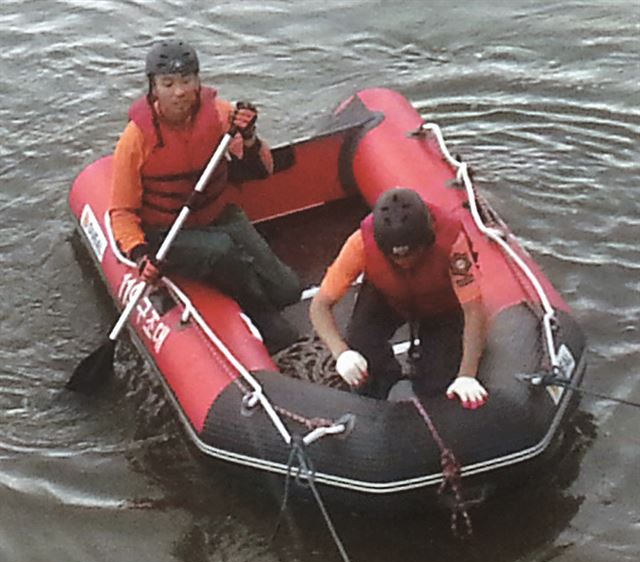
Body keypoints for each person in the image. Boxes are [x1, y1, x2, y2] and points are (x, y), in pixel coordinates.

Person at [109, 39, 301, 353]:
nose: (179, 92)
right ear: (153, 89)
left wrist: (249, 137)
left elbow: (261, 169)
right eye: (168, 84)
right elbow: (122, 213)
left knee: (288, 289)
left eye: (186, 81)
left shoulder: (220, 114)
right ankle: (261, 315)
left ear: (198, 82)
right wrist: (140, 254)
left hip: (218, 215)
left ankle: (252, 290)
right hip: (167, 233)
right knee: (222, 250)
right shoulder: (135, 140)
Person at [310, 187, 489, 407]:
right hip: (387, 297)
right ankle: (383, 380)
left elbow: (473, 310)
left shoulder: (452, 243)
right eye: (395, 257)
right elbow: (319, 306)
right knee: (361, 344)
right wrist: (341, 353)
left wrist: (467, 375)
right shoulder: (360, 243)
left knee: (438, 382)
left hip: (441, 306)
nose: (404, 263)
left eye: (411, 255)